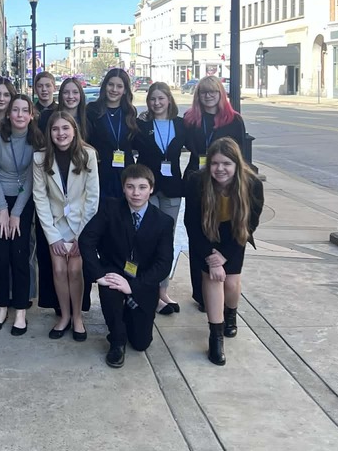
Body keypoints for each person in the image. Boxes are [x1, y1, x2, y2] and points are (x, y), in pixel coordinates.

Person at [79, 165, 174, 369]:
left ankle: (130, 311)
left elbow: (164, 263)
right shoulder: (110, 208)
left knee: (141, 343)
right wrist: (99, 274)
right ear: (123, 188)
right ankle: (117, 340)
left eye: (142, 187)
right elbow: (87, 239)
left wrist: (134, 287)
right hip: (114, 272)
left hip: (142, 280)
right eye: (130, 187)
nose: (136, 193)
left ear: (151, 188)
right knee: (111, 291)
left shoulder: (163, 221)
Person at [183, 138, 264, 366]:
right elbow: (191, 222)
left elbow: (250, 224)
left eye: (226, 163)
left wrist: (225, 255)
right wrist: (211, 258)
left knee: (230, 283)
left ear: (237, 164)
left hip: (235, 234)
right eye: (215, 163)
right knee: (213, 277)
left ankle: (231, 314)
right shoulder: (196, 182)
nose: (220, 169)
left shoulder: (253, 184)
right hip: (204, 233)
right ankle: (215, 336)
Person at [33, 112, 99, 341]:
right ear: (49, 133)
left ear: (74, 130)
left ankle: (78, 317)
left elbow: (92, 198)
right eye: (55, 129)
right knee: (59, 270)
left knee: (74, 270)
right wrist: (53, 238)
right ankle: (64, 316)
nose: (60, 133)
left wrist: (82, 236)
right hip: (55, 225)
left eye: (65, 128)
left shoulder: (87, 154)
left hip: (81, 225)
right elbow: (40, 199)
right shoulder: (40, 159)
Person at [183, 75, 247, 308]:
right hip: (197, 180)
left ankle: (222, 276)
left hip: (225, 181)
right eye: (203, 92)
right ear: (198, 96)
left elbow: (241, 156)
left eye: (213, 92)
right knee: (197, 231)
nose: (208, 96)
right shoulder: (190, 119)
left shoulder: (233, 120)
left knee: (225, 227)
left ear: (221, 94)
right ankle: (201, 295)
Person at [0, 94, 44, 335]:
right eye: (15, 110)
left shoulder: (37, 140)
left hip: (23, 201)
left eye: (24, 110)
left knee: (20, 256)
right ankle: (2, 307)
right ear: (9, 114)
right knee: (0, 257)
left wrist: (16, 213)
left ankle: (20, 310)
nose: (19, 115)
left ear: (31, 115)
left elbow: (32, 179)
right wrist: (2, 210)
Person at [134, 82, 186, 315]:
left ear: (169, 100)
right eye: (152, 99)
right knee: (147, 238)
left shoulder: (181, 125)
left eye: (161, 98)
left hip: (172, 189)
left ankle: (163, 290)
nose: (156, 103)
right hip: (148, 190)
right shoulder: (142, 125)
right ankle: (149, 290)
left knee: (167, 240)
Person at [85, 68, 139, 199]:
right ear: (105, 86)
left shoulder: (130, 112)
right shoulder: (92, 110)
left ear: (125, 90)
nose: (114, 89)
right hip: (100, 172)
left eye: (119, 86)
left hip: (126, 173)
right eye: (111, 84)